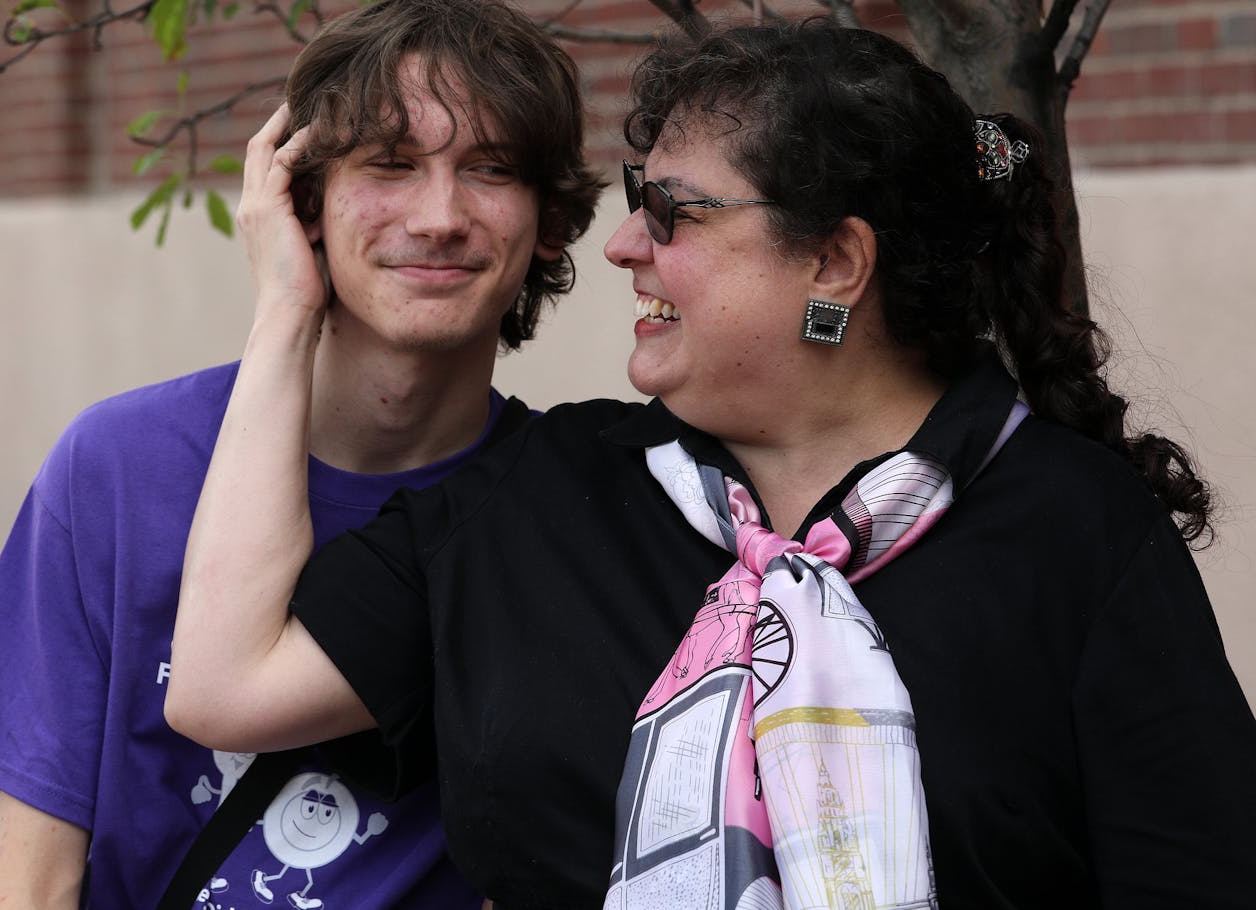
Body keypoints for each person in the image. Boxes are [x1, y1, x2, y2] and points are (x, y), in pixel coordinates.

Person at [166, 17, 1256, 910]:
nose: (621, 245)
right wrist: (286, 310)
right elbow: (224, 686)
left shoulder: (1073, 532)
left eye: (671, 212)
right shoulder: (543, 492)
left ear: (833, 260)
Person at [0, 1, 601, 907]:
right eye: (390, 165)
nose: (440, 216)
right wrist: (284, 309)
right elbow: (30, 882)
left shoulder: (563, 513)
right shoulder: (121, 469)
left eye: (492, 170)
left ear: (549, 220)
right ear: (300, 199)